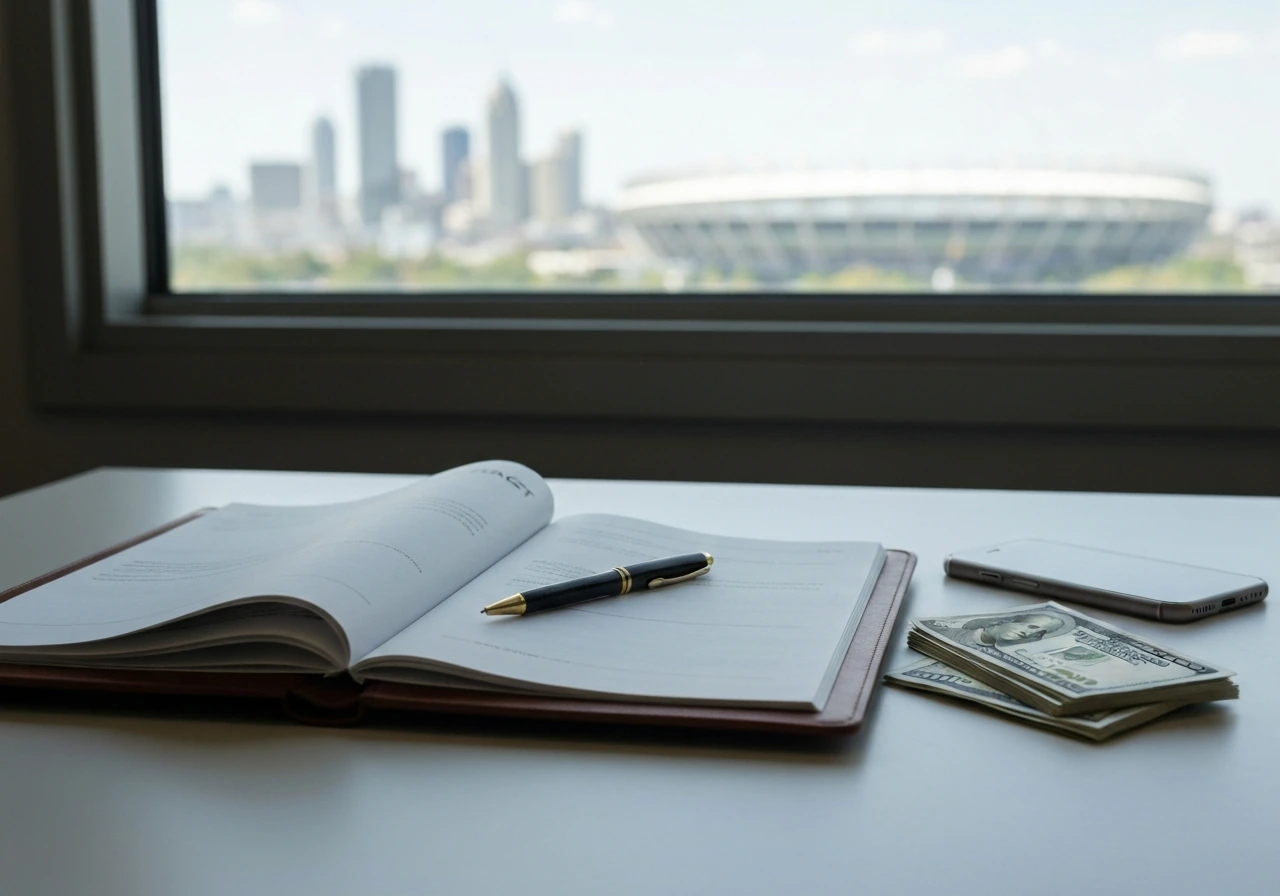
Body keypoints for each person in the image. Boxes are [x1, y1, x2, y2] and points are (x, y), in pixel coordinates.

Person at [947, 612, 1069, 649]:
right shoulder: (948, 631)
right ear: (1009, 622)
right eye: (1032, 627)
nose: (1028, 634)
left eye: (1040, 634)